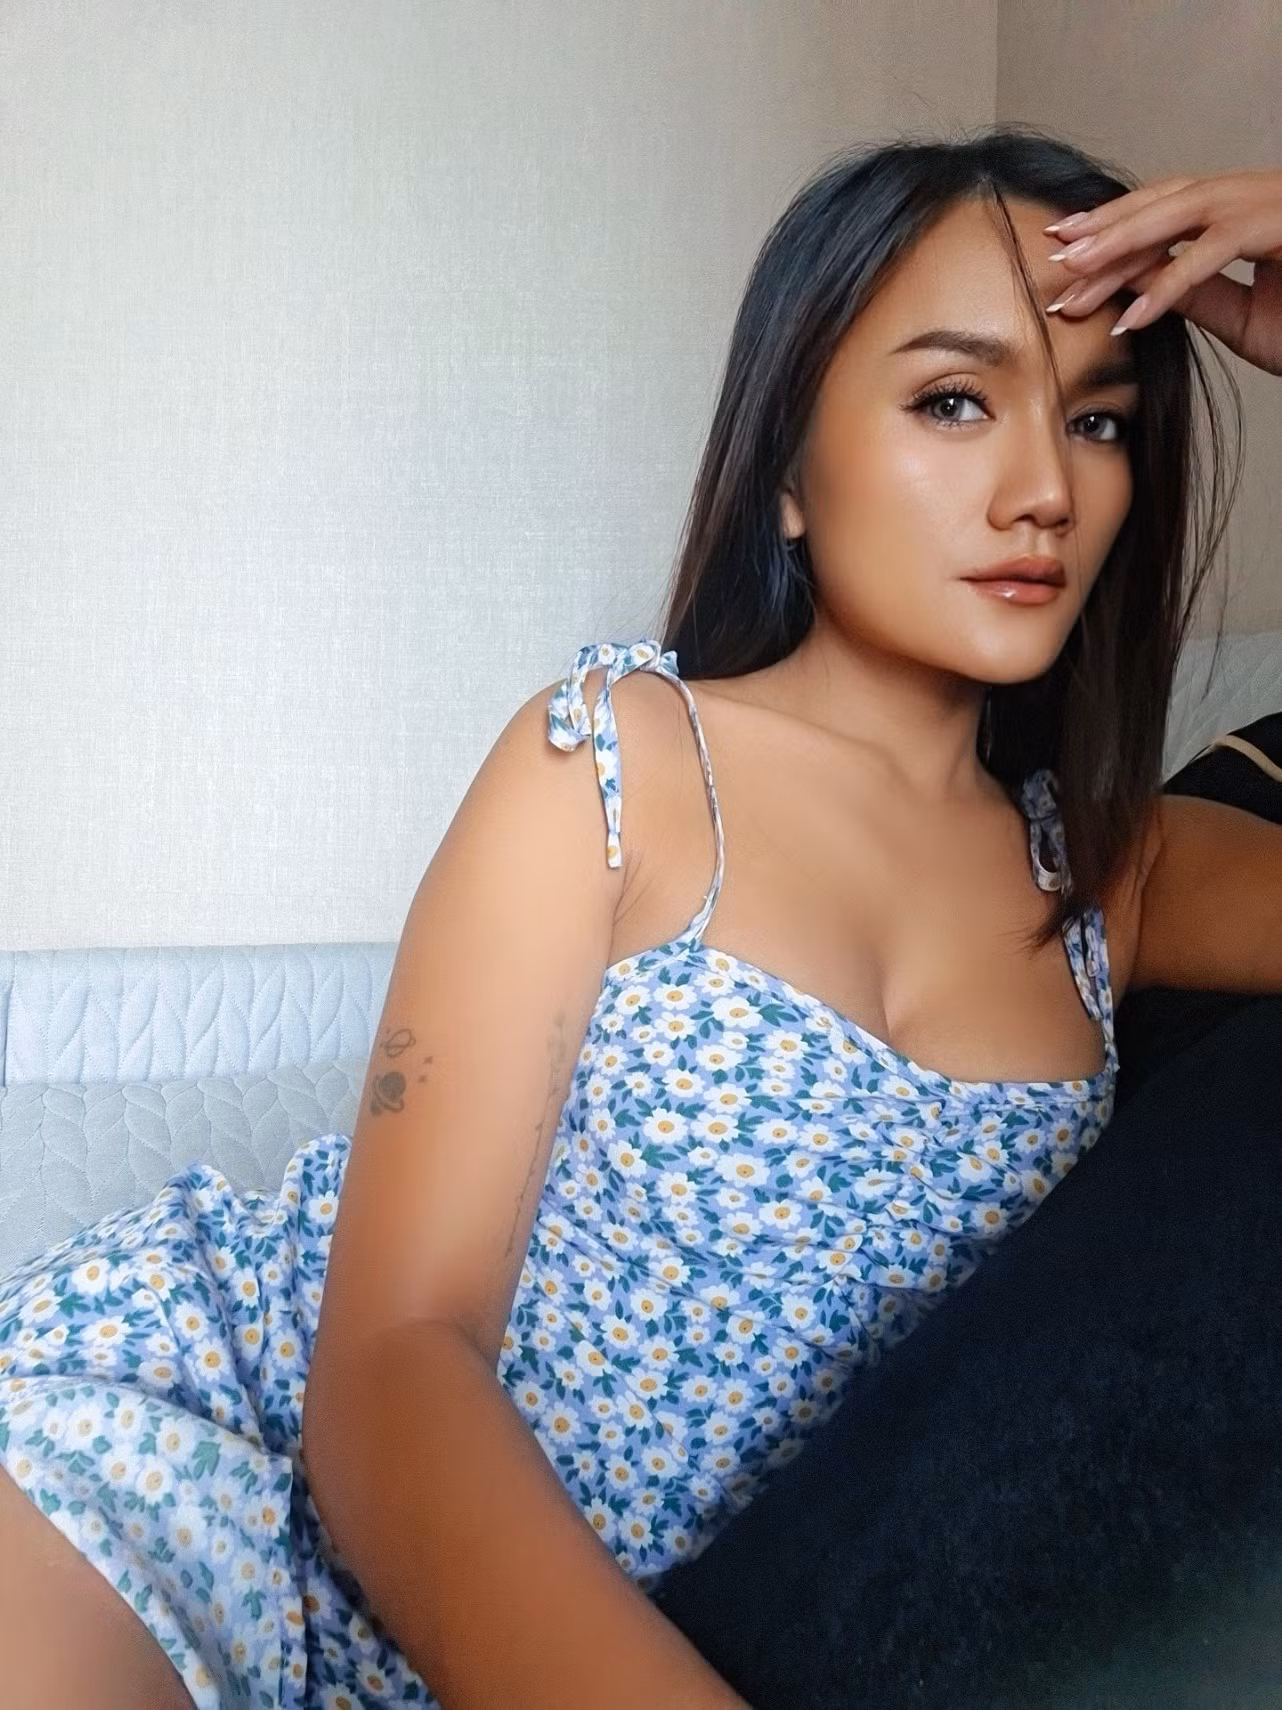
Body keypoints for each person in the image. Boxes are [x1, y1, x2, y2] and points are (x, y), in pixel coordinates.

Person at [1, 124, 1280, 1710]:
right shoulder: (616, 761)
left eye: (1096, 420)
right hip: (216, 1463)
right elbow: (395, 1358)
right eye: (953, 400)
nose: (1043, 490)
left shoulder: (1110, 874)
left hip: (642, 1622)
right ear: (789, 471)